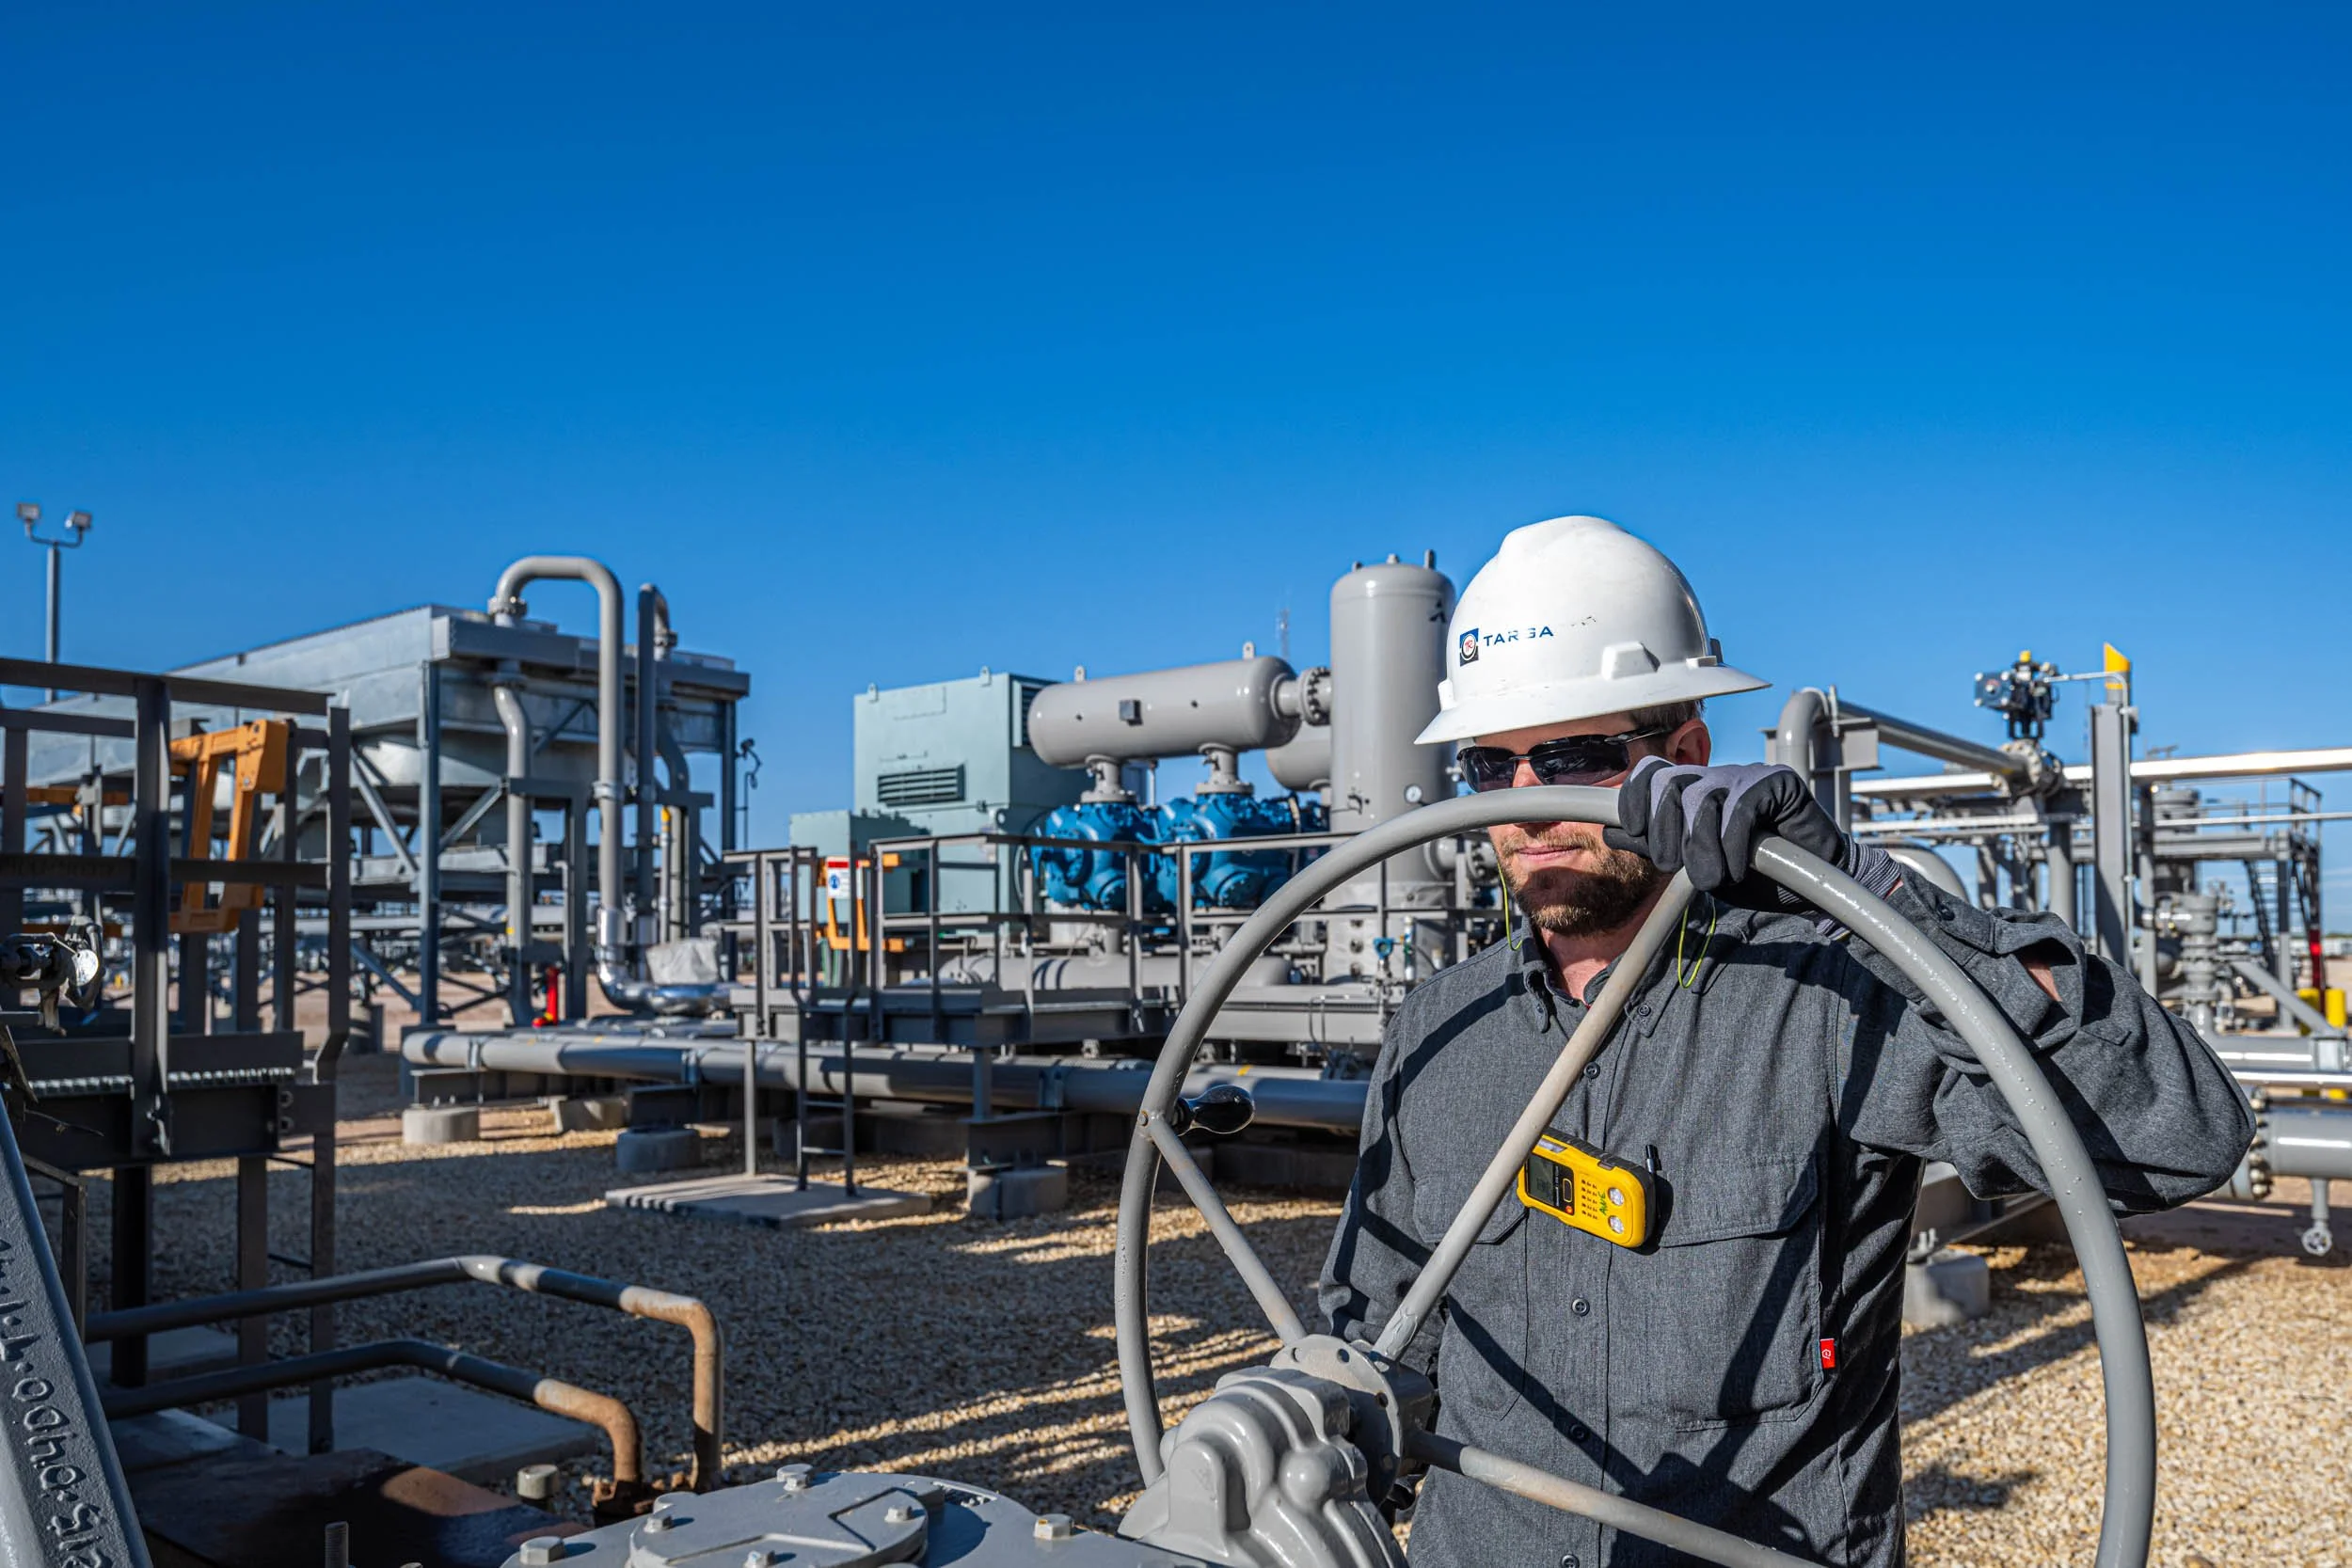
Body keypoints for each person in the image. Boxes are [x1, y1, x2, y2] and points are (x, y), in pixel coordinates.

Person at [1317, 515, 2253, 1568]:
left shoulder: (1832, 994)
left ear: (1685, 755)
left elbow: (2180, 1136)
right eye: (1492, 765)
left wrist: (1879, 898)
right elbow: (1375, 1330)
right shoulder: (1443, 1028)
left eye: (1575, 755)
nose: (1530, 801)